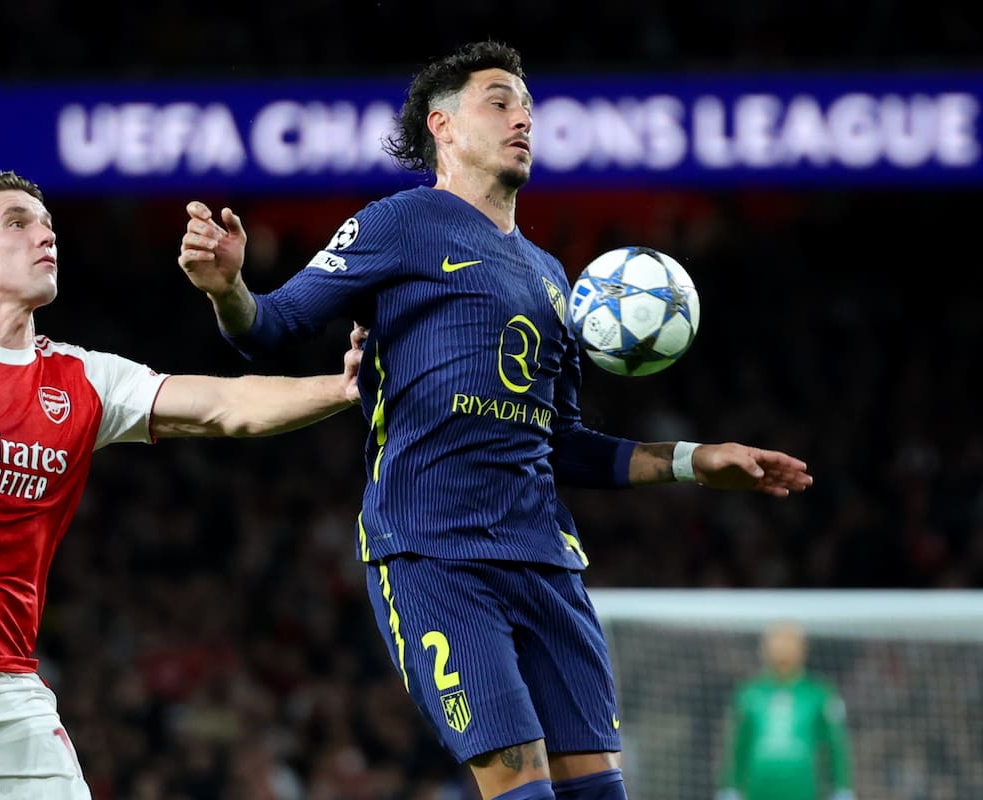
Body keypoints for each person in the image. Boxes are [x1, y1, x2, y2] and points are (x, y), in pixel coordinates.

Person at [177, 40, 814, 800]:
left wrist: (692, 460)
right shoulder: (401, 223)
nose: (522, 120)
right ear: (442, 126)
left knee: (599, 793)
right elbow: (272, 328)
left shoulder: (553, 279)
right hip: (434, 555)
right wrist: (229, 290)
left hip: (546, 559)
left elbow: (565, 446)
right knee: (522, 789)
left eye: (528, 108)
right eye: (500, 102)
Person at [0, 169, 366, 800]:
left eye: (48, 225)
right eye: (18, 222)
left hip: (5, 689)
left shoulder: (84, 378)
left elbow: (226, 406)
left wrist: (342, 388)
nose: (45, 235)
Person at [716, 623, 855, 800]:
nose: (782, 647)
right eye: (776, 640)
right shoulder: (749, 693)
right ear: (764, 648)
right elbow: (737, 746)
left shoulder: (818, 693)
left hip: (804, 791)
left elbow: (836, 745)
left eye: (788, 640)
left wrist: (843, 787)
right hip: (758, 791)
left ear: (802, 648)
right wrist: (730, 787)